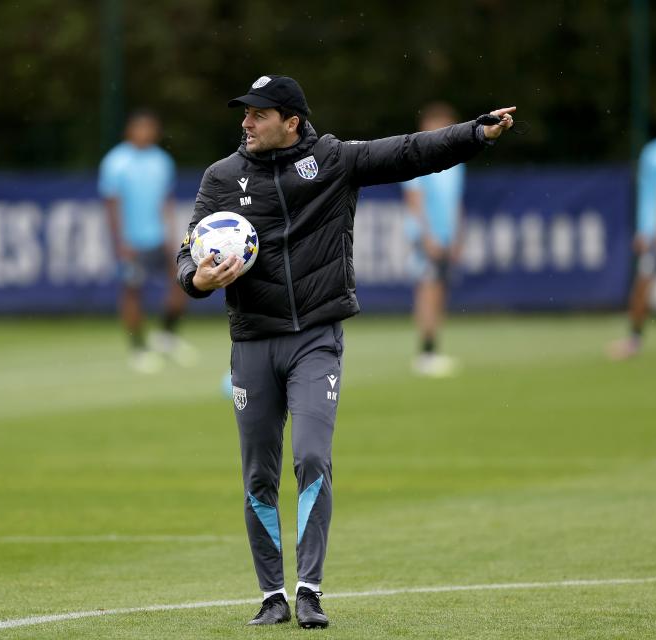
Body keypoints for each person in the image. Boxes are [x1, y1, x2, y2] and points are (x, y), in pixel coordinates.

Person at [176, 75, 514, 628]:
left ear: (291, 122)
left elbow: (409, 152)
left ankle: (308, 590)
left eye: (258, 114)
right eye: (245, 113)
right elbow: (189, 248)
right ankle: (271, 597)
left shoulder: (333, 160)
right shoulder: (222, 177)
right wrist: (197, 279)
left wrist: (475, 133)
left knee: (311, 457)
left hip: (316, 338)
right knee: (259, 475)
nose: (246, 122)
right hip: (252, 342)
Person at [99, 109, 196, 373]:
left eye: (150, 128)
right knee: (132, 291)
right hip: (132, 240)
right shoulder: (116, 161)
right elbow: (112, 205)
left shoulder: (162, 161)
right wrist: (121, 241)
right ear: (130, 131)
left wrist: (172, 235)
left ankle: (166, 336)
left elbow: (166, 201)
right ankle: (138, 348)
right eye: (140, 128)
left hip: (159, 237)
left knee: (182, 280)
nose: (145, 133)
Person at [609, 108, 656, 360]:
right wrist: (644, 230)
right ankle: (635, 338)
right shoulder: (655, 153)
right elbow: (649, 194)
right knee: (643, 284)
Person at [401, 102, 466, 377]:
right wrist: (427, 236)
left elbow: (456, 202)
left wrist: (457, 236)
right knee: (428, 290)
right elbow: (414, 200)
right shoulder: (419, 158)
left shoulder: (455, 162)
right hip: (426, 237)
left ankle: (433, 349)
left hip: (446, 237)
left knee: (439, 292)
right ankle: (425, 353)